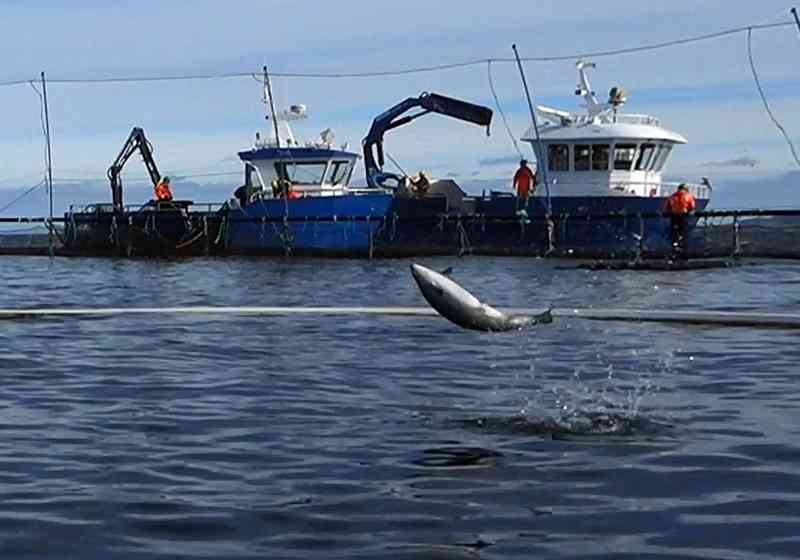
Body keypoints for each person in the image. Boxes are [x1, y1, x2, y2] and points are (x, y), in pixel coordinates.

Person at [664, 183, 697, 259]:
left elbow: (667, 207)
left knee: (674, 234)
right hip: (684, 217)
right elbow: (692, 207)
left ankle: (674, 249)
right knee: (684, 234)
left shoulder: (672, 197)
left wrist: (668, 212)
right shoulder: (688, 196)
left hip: (674, 217)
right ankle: (683, 252)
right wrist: (691, 212)